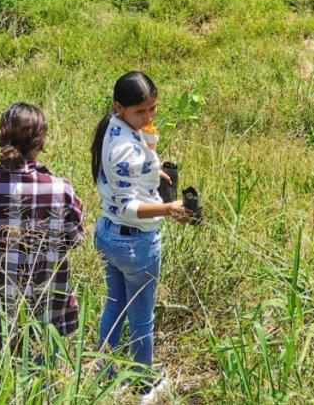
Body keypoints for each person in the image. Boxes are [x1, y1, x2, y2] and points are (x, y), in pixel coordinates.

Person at [0, 103, 85, 365]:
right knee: (43, 387)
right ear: (41, 143)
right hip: (45, 316)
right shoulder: (61, 189)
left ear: (0, 136)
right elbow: (74, 239)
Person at [93, 72, 191, 402]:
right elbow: (132, 206)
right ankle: (143, 381)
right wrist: (169, 207)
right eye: (141, 112)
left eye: (154, 109)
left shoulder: (114, 126)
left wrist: (154, 165)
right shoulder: (124, 150)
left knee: (115, 305)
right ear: (120, 107)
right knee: (142, 317)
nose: (149, 117)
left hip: (109, 232)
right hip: (135, 242)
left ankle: (106, 373)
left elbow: (133, 173)